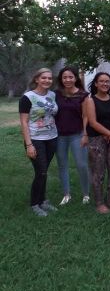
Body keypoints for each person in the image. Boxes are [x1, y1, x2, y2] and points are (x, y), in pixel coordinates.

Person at [18, 68, 58, 217]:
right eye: (43, 78)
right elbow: (24, 122)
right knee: (41, 171)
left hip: (52, 138)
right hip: (35, 139)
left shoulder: (52, 95)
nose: (47, 80)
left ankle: (43, 200)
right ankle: (35, 204)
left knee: (44, 171)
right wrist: (29, 145)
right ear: (36, 79)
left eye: (49, 78)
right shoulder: (27, 97)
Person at [86, 72, 110, 214]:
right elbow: (92, 122)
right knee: (98, 172)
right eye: (101, 81)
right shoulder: (91, 101)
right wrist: (109, 134)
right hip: (97, 140)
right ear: (96, 84)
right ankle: (99, 202)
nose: (105, 84)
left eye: (107, 81)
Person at [55, 66, 90, 205]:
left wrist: (85, 134)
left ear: (76, 78)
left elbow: (86, 116)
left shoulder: (83, 95)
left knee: (82, 165)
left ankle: (86, 194)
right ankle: (66, 194)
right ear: (61, 79)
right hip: (59, 135)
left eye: (70, 77)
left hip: (77, 134)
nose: (68, 80)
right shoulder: (56, 94)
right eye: (65, 77)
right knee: (62, 165)